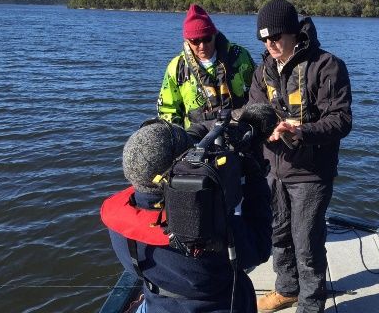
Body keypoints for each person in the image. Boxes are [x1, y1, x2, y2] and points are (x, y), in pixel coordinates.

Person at [101, 119, 272, 313]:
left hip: (158, 303)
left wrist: (199, 131)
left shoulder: (119, 222)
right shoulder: (208, 226)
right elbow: (260, 247)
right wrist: (254, 175)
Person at [249, 0, 352, 313]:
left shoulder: (327, 66)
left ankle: (311, 303)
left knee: (306, 241)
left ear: (293, 32)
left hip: (311, 173)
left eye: (276, 36)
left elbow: (341, 120)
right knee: (277, 234)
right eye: (265, 39)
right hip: (274, 169)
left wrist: (303, 131)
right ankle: (287, 289)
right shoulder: (263, 70)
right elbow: (255, 111)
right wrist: (263, 128)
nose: (271, 43)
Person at [157, 4, 255, 128]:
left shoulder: (240, 56)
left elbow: (257, 91)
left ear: (214, 34)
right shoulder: (176, 67)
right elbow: (167, 109)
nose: (202, 46)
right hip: (196, 138)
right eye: (195, 41)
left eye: (207, 39)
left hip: (238, 131)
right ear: (187, 40)